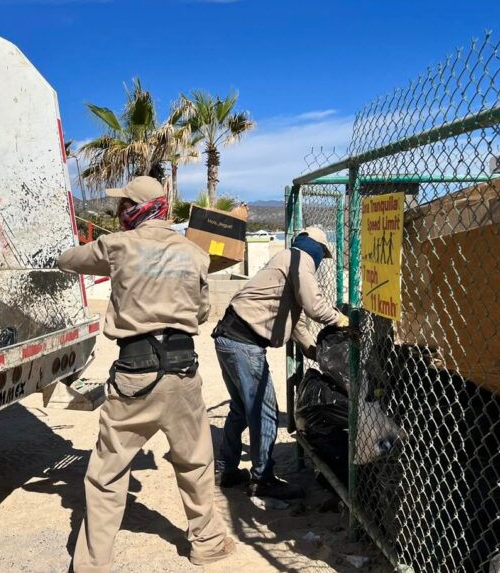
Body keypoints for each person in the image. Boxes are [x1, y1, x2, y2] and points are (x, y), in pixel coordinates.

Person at [58, 176, 234, 573]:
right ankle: (206, 543)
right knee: (196, 462)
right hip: (183, 371)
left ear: (134, 209)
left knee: (107, 473)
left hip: (134, 375)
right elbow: (202, 312)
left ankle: (92, 564)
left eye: (123, 205)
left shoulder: (116, 245)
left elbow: (71, 260)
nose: (119, 212)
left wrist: (58, 258)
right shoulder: (194, 253)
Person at [212, 226, 348, 499]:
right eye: (322, 253)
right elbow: (314, 306)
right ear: (317, 249)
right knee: (266, 412)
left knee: (240, 409)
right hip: (245, 343)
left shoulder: (285, 259)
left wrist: (313, 351)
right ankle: (262, 479)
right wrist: (342, 321)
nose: (321, 259)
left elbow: (295, 318)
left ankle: (227, 469)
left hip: (228, 336)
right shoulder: (301, 259)